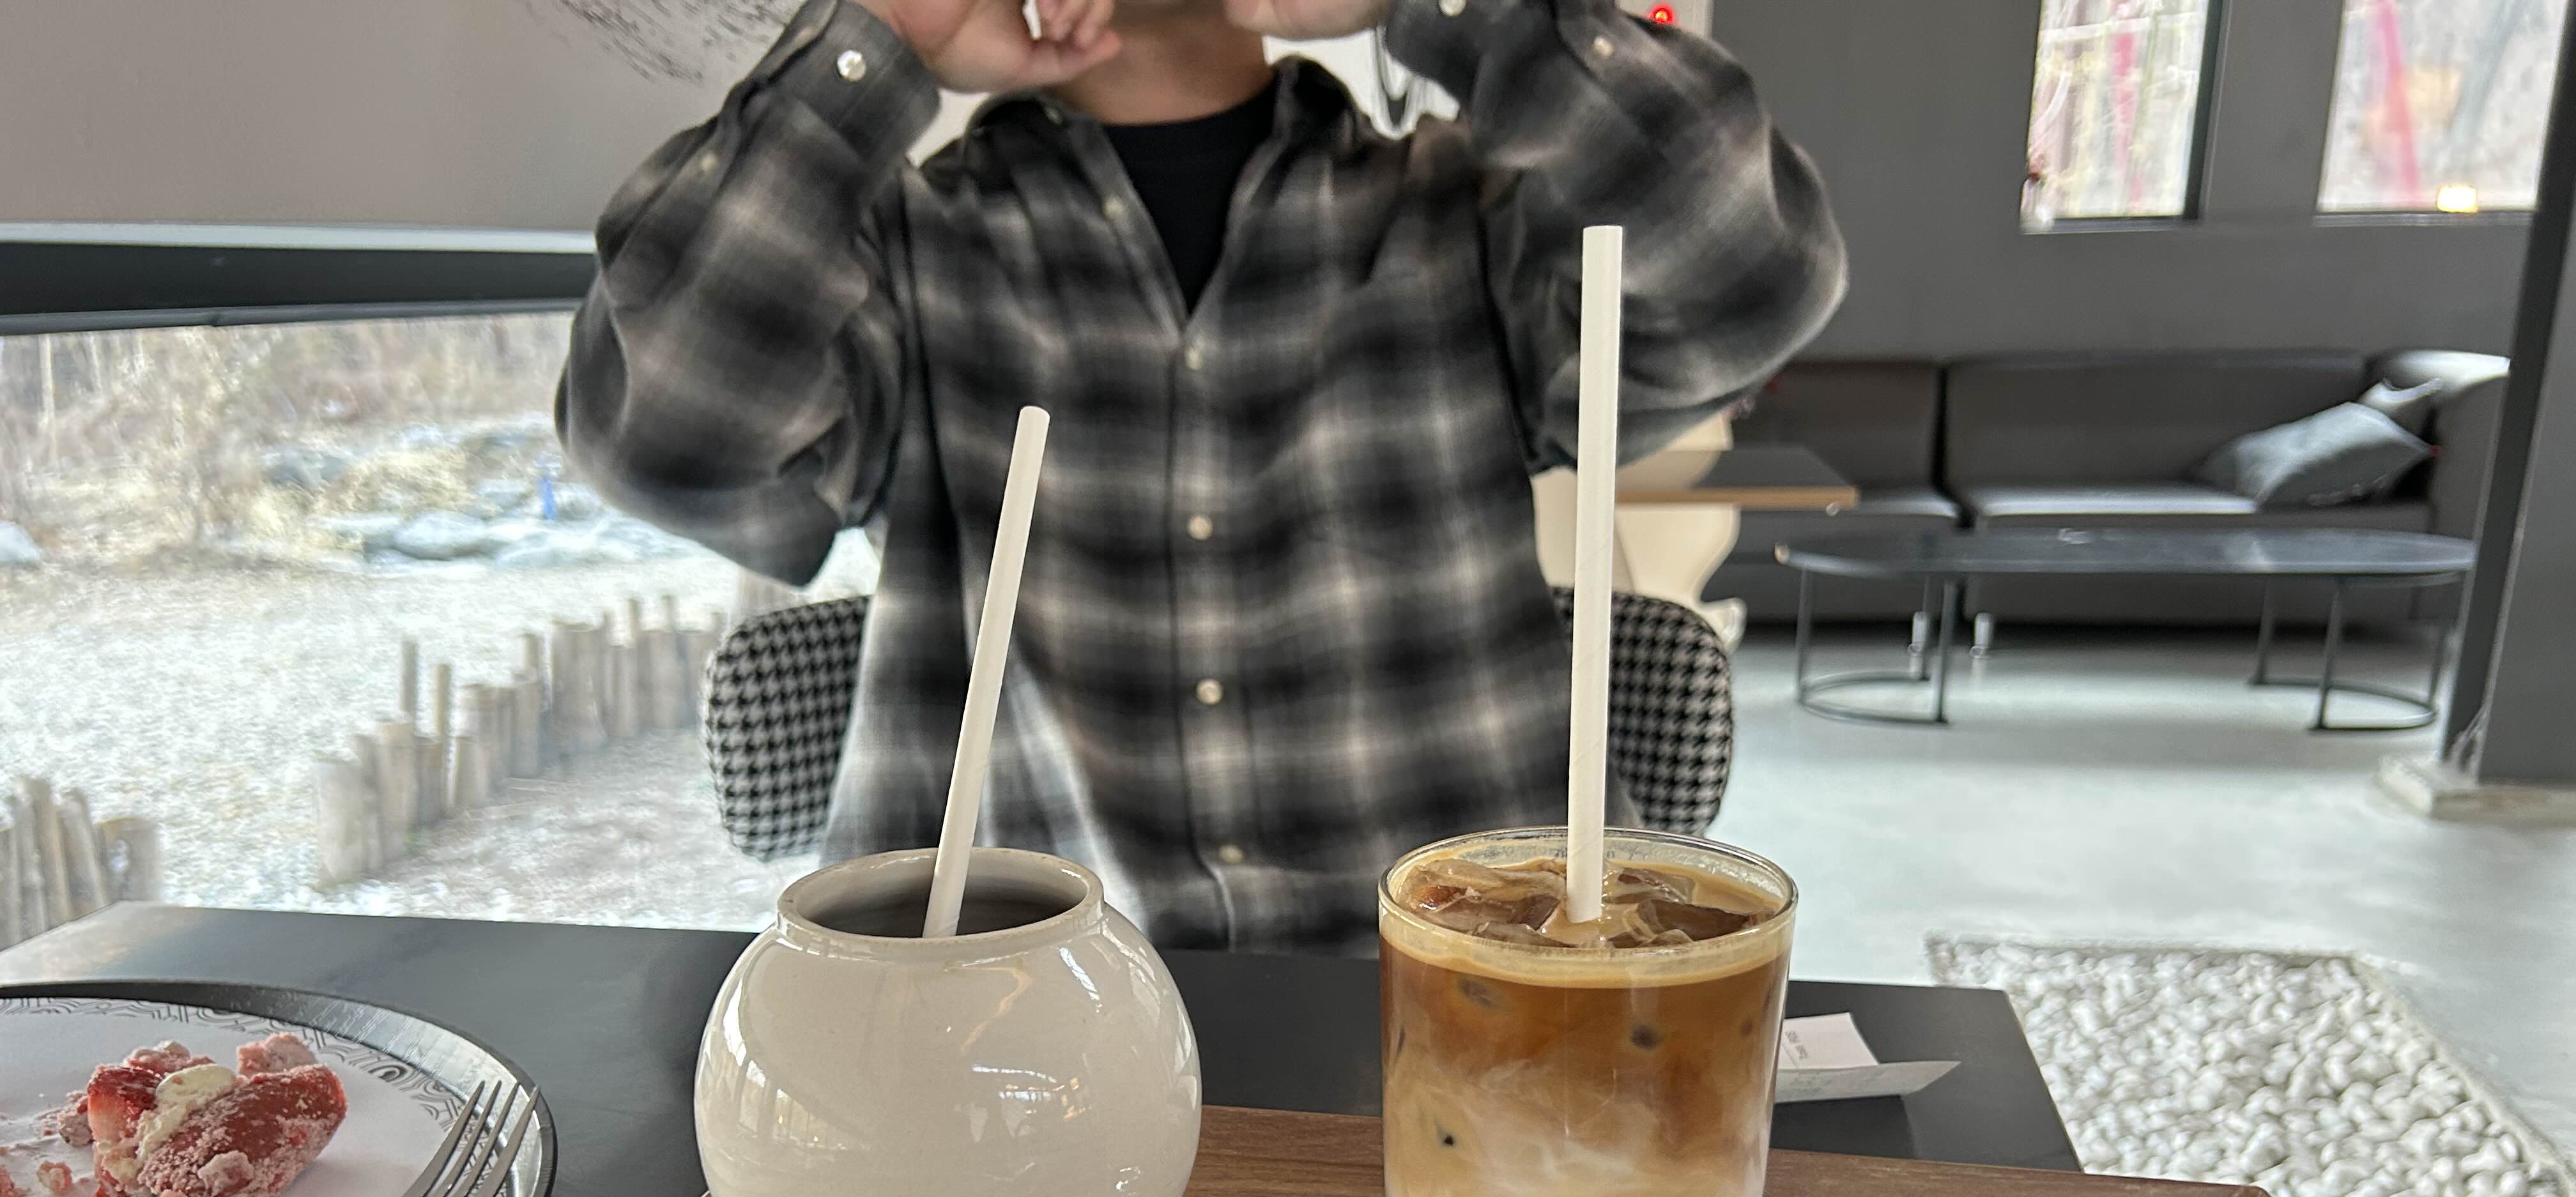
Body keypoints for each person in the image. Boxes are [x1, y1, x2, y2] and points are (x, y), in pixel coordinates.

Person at [559, 0, 1844, 950]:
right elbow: (655, 436)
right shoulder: (903, 248)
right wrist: (882, 40)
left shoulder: (1462, 214)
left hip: (1467, 1006)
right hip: (1012, 1033)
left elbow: (1756, 275)